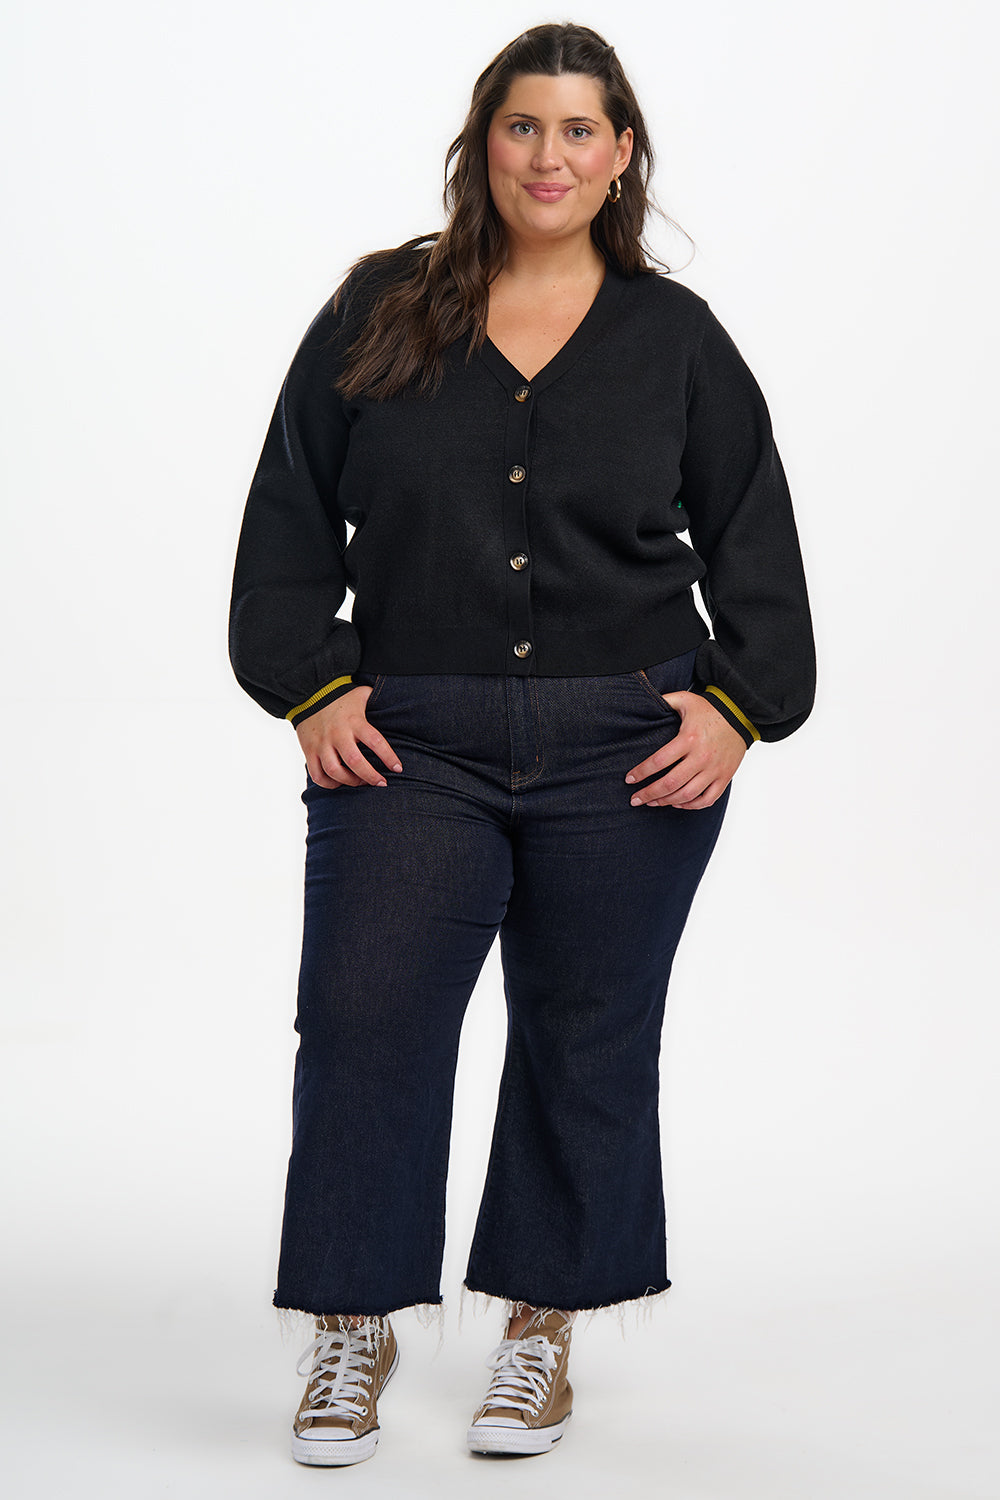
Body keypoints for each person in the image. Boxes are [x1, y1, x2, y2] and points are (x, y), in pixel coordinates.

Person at [228, 20, 815, 1468]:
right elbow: (288, 517)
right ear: (481, 141)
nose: (548, 156)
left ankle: (540, 1331)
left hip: (628, 743)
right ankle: (349, 1331)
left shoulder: (675, 339)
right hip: (406, 740)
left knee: (584, 1032)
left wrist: (734, 708)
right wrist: (314, 685)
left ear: (620, 156)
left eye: (579, 131)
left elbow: (759, 546)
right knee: (366, 1022)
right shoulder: (381, 306)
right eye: (522, 127)